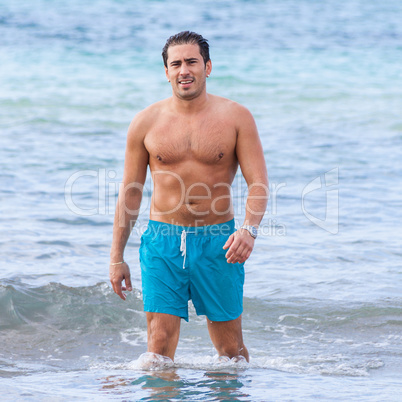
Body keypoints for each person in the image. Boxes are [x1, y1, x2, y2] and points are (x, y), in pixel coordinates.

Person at [109, 31, 268, 363]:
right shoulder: (145, 123)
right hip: (162, 241)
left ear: (207, 67)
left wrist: (249, 230)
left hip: (219, 243)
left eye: (192, 62)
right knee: (159, 344)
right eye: (176, 63)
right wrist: (116, 257)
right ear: (166, 71)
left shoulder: (236, 118)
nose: (184, 70)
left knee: (230, 350)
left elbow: (258, 184)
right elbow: (130, 193)